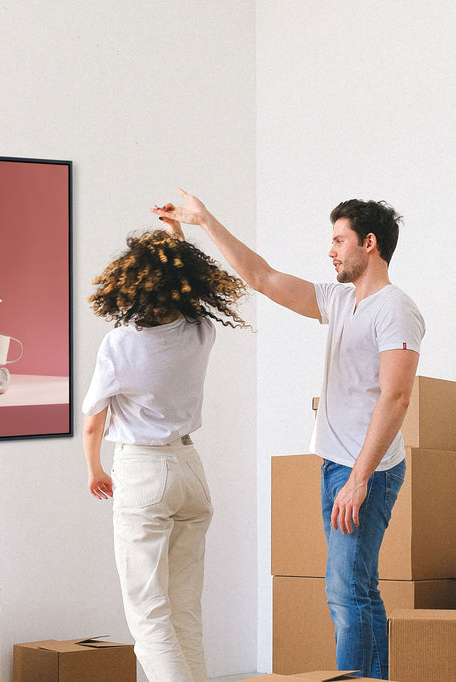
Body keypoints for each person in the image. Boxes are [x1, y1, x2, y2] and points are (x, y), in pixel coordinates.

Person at [152, 190, 424, 679]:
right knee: (355, 590)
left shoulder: (395, 310)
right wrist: (204, 222)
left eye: (339, 240)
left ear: (370, 243)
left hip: (367, 471)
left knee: (348, 594)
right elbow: (261, 277)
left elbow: (396, 398)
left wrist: (359, 479)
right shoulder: (341, 300)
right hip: (337, 465)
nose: (331, 250)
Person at [82, 207, 248, 682]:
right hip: (190, 470)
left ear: (130, 286)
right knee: (184, 611)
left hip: (142, 472)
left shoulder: (119, 345)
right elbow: (189, 294)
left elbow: (93, 422)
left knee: (149, 616)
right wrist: (176, 236)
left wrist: (94, 469)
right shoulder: (201, 331)